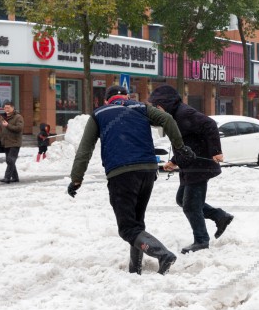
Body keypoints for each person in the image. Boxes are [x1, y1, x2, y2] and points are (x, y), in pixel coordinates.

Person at [68, 85, 194, 275]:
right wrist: (180, 147)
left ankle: (162, 254)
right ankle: (134, 269)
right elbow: (167, 118)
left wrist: (76, 179)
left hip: (121, 174)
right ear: (127, 96)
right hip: (148, 171)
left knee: (127, 229)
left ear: (106, 100)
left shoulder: (99, 114)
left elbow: (85, 149)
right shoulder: (141, 108)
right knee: (136, 224)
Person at [148, 85, 234, 254]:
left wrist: (216, 151)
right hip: (191, 167)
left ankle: (201, 240)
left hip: (200, 166)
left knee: (190, 206)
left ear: (164, 104)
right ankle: (219, 216)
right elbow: (185, 143)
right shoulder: (174, 116)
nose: (156, 111)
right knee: (182, 199)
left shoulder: (184, 114)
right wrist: (174, 161)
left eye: (157, 106)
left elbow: (210, 125)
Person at [0, 100, 24, 184]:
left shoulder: (18, 117)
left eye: (8, 107)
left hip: (15, 142)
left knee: (10, 160)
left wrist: (8, 125)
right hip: (6, 142)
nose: (6, 109)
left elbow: (19, 128)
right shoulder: (3, 117)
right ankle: (15, 177)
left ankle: (7, 177)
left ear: (13, 108)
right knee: (10, 160)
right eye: (5, 107)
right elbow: (2, 131)